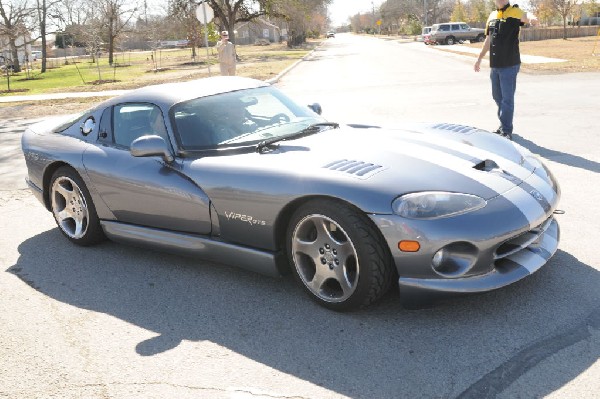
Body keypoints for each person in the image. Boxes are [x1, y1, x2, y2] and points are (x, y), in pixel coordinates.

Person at [474, 0, 535, 140]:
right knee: (497, 97)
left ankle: (506, 130)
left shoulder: (515, 12)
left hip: (509, 64)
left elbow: (526, 15)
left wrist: (532, 18)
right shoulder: (492, 16)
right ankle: (503, 125)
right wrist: (479, 59)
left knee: (507, 99)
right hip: (495, 65)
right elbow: (488, 40)